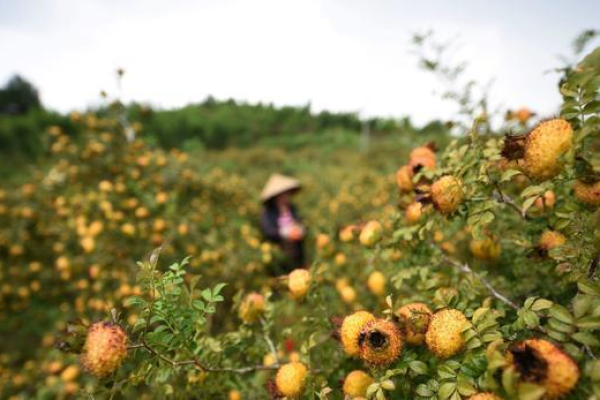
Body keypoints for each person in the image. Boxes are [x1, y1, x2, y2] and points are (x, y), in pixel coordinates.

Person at [260, 174, 306, 275]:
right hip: (279, 256)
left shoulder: (292, 208)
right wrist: (286, 233)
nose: (286, 196)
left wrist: (299, 230)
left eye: (287, 194)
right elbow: (268, 231)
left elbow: (300, 222)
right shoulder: (268, 212)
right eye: (283, 194)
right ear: (276, 196)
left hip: (296, 254)